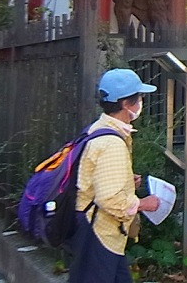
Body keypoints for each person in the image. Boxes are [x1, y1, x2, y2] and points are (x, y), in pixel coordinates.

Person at [69, 69, 162, 283]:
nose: (142, 102)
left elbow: (96, 177)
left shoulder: (99, 128)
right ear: (126, 104)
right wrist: (143, 204)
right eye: (139, 97)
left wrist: (126, 180)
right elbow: (109, 199)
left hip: (98, 232)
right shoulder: (111, 143)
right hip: (99, 234)